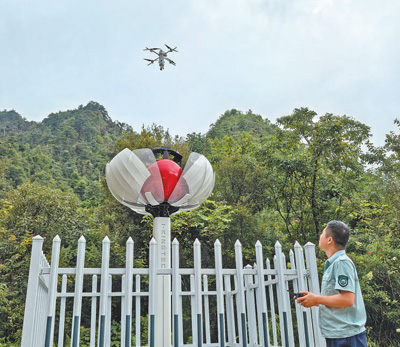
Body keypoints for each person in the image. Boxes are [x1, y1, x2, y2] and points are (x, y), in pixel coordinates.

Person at [296, 220, 367, 347]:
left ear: (330, 240)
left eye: (322, 233)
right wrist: (314, 300)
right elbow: (338, 300)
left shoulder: (342, 263)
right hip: (338, 334)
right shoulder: (333, 264)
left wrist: (317, 298)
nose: (320, 236)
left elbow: (347, 299)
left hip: (347, 337)